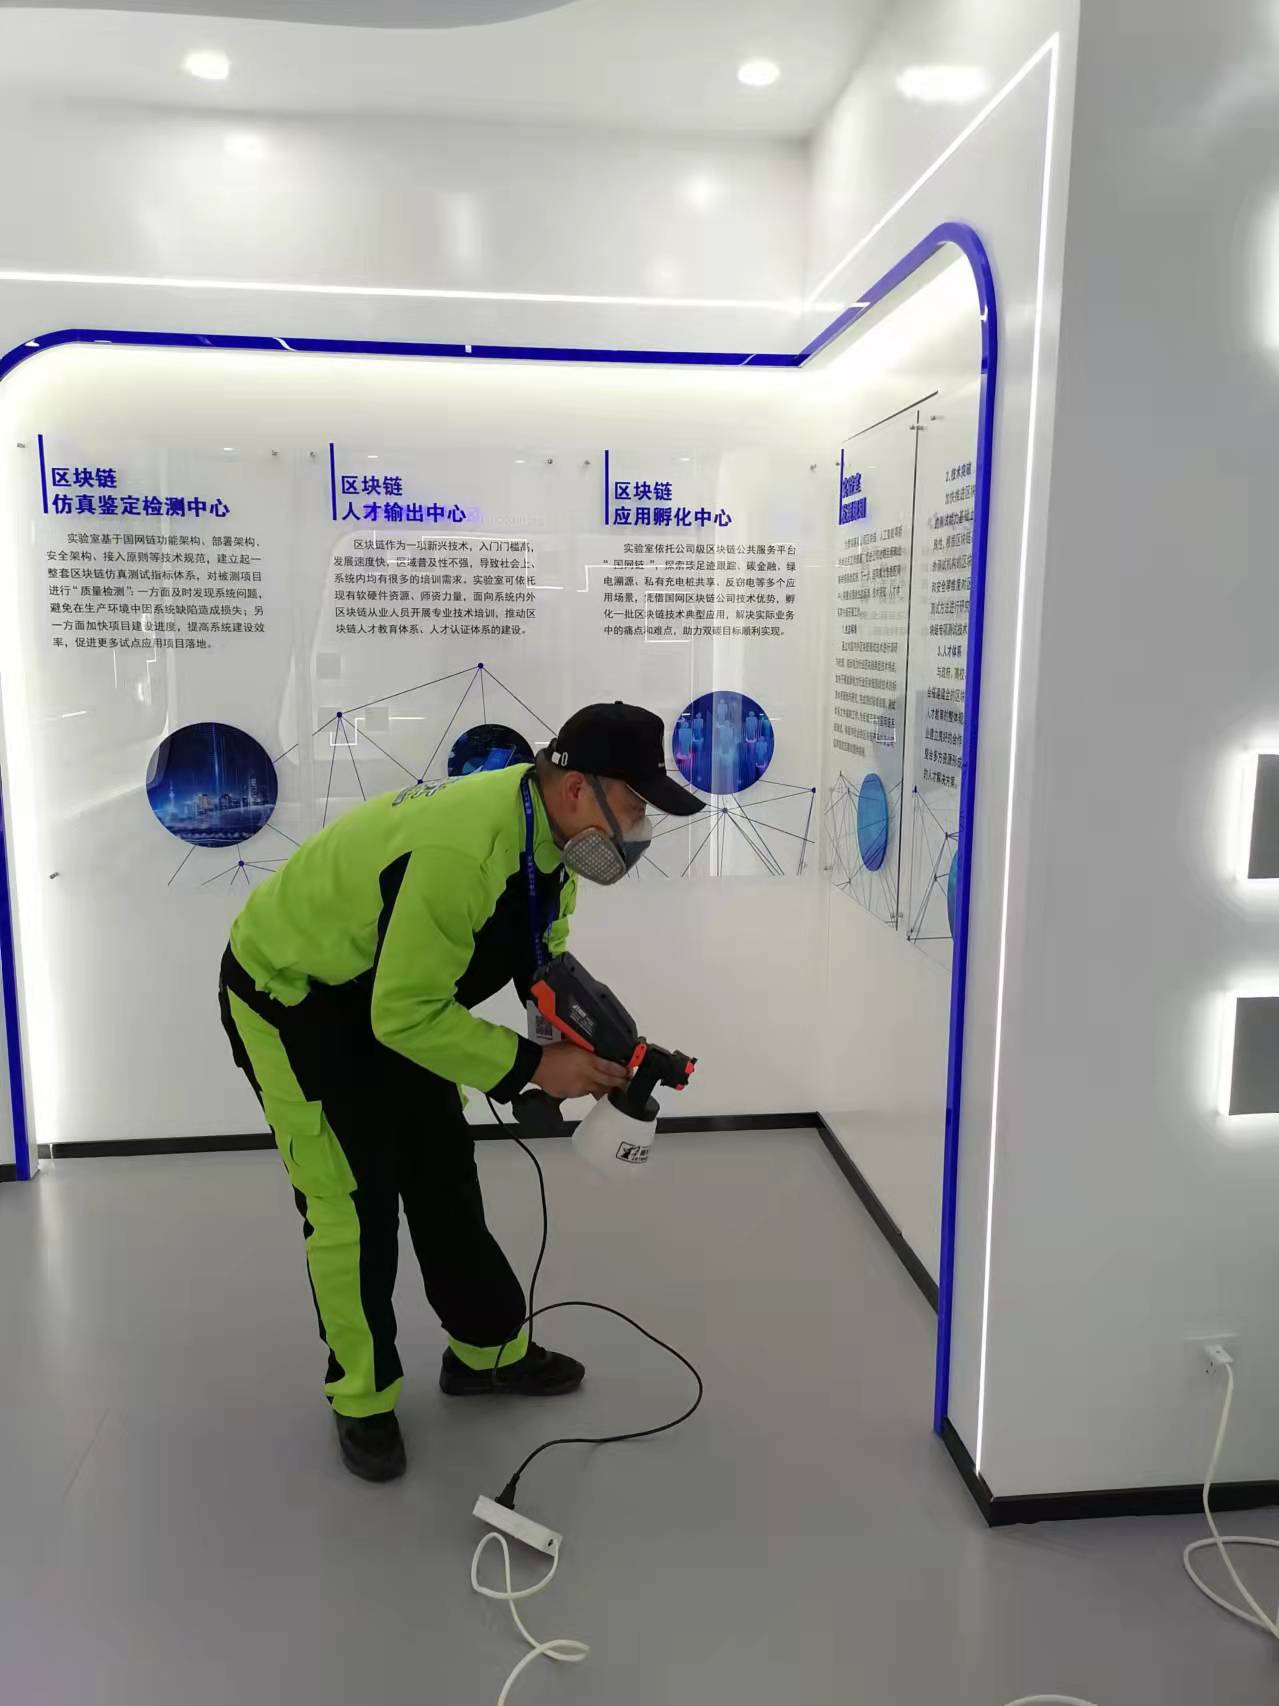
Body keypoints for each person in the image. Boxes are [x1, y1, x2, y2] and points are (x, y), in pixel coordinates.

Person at [218, 702, 704, 1482]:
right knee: (352, 1202)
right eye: (635, 804)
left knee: (441, 1170)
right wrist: (534, 1068)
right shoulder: (462, 849)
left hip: (396, 995)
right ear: (576, 788)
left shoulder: (550, 841)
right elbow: (403, 1014)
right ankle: (362, 1397)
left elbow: (541, 957)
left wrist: (591, 1045)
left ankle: (488, 1354)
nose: (640, 828)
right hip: (297, 998)